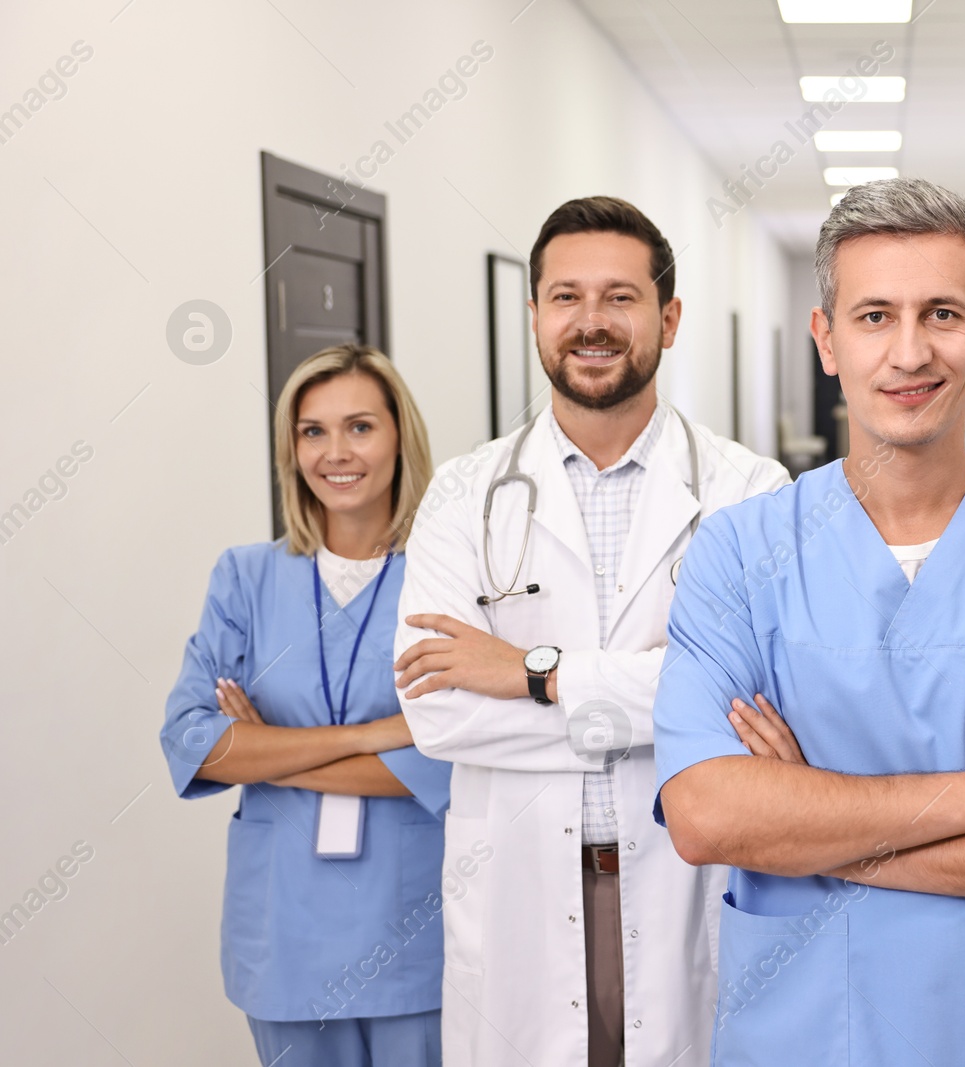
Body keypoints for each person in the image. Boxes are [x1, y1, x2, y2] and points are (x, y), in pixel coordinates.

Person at [650, 177, 965, 1067]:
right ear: (827, 340)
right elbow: (704, 815)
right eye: (875, 315)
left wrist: (810, 820)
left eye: (944, 314)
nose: (910, 351)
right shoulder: (741, 553)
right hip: (800, 1031)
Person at [391, 196, 790, 1067]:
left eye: (621, 296)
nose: (592, 322)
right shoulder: (464, 495)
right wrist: (662, 697)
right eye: (566, 297)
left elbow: (749, 695)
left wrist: (529, 670)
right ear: (534, 315)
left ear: (668, 317)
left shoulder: (750, 491)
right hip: (521, 884)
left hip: (687, 870)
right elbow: (439, 712)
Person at [161, 344, 452, 1067]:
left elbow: (452, 754)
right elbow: (194, 740)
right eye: (311, 431)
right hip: (283, 937)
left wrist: (271, 751)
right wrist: (377, 735)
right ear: (291, 449)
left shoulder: (447, 578)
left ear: (399, 437)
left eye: (359, 426)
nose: (335, 452)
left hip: (413, 932)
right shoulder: (246, 577)